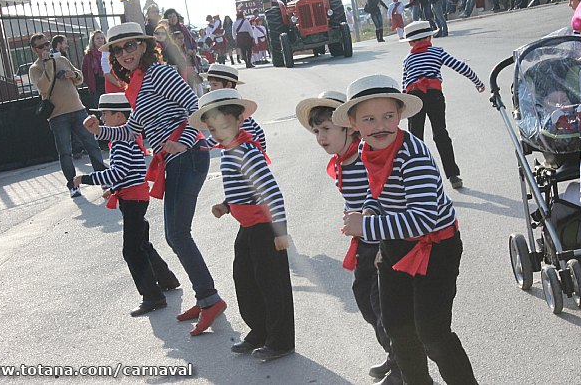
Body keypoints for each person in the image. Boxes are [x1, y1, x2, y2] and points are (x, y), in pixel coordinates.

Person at [333, 74, 478, 385]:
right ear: (355, 124)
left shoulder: (413, 156)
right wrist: (370, 210)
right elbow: (377, 190)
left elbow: (423, 219)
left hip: (436, 247)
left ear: (399, 115)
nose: (381, 125)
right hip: (396, 245)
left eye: (388, 116)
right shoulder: (365, 150)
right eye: (369, 119)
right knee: (398, 330)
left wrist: (367, 225)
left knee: (432, 333)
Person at [83, 22, 227, 336]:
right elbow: (132, 130)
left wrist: (186, 140)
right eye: (118, 50)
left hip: (186, 156)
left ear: (144, 46)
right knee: (177, 234)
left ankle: (209, 299)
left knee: (177, 234)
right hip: (173, 161)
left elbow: (195, 107)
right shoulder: (136, 84)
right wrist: (99, 130)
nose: (125, 53)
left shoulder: (159, 74)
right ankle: (207, 297)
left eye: (131, 46)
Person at [295, 91, 403, 384]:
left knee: (379, 302)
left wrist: (370, 223)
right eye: (316, 131)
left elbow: (379, 193)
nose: (320, 137)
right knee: (364, 298)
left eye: (326, 129)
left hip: (380, 235)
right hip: (364, 238)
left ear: (350, 127)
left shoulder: (364, 156)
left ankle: (402, 367)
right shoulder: (343, 160)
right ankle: (394, 353)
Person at [189, 88, 294, 362]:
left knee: (272, 285)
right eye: (212, 129)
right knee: (245, 280)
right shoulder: (229, 151)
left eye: (223, 126)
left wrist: (280, 231)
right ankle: (259, 331)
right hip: (247, 228)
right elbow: (243, 189)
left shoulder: (247, 151)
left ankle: (280, 340)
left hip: (265, 229)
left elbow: (272, 193)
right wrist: (226, 205)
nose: (218, 133)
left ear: (239, 121)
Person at [74, 93, 180, 316]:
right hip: (135, 195)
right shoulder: (127, 138)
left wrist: (86, 179)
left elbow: (119, 172)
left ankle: (152, 296)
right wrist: (113, 189)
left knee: (131, 250)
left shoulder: (121, 141)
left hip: (133, 199)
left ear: (119, 116)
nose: (101, 119)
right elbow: (130, 173)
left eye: (104, 114)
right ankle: (166, 279)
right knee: (142, 243)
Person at [400, 21, 486, 189]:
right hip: (434, 95)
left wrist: (403, 106)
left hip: (414, 97)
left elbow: (404, 84)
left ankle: (418, 178)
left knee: (415, 138)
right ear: (430, 37)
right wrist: (477, 81)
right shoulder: (436, 52)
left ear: (410, 42)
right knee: (441, 134)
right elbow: (460, 66)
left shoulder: (407, 59)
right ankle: (453, 176)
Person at [28, 32, 106, 198]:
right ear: (35, 49)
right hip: (57, 115)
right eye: (41, 46)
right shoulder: (35, 69)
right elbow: (43, 87)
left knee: (92, 144)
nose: (46, 48)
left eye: (47, 44)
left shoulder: (62, 59)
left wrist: (73, 75)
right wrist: (48, 63)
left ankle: (103, 179)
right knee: (65, 152)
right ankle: (73, 185)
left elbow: (80, 77)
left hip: (78, 109)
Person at [201, 64, 266, 150]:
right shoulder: (238, 108)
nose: (211, 89)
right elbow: (260, 132)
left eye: (215, 85)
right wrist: (262, 152)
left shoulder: (229, 111)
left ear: (228, 85)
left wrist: (205, 145)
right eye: (210, 85)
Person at [81, 30, 107, 110]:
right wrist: (89, 83)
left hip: (107, 81)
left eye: (102, 38)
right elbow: (84, 71)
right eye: (98, 38)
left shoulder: (108, 52)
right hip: (95, 85)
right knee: (99, 108)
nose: (100, 40)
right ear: (93, 40)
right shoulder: (88, 55)